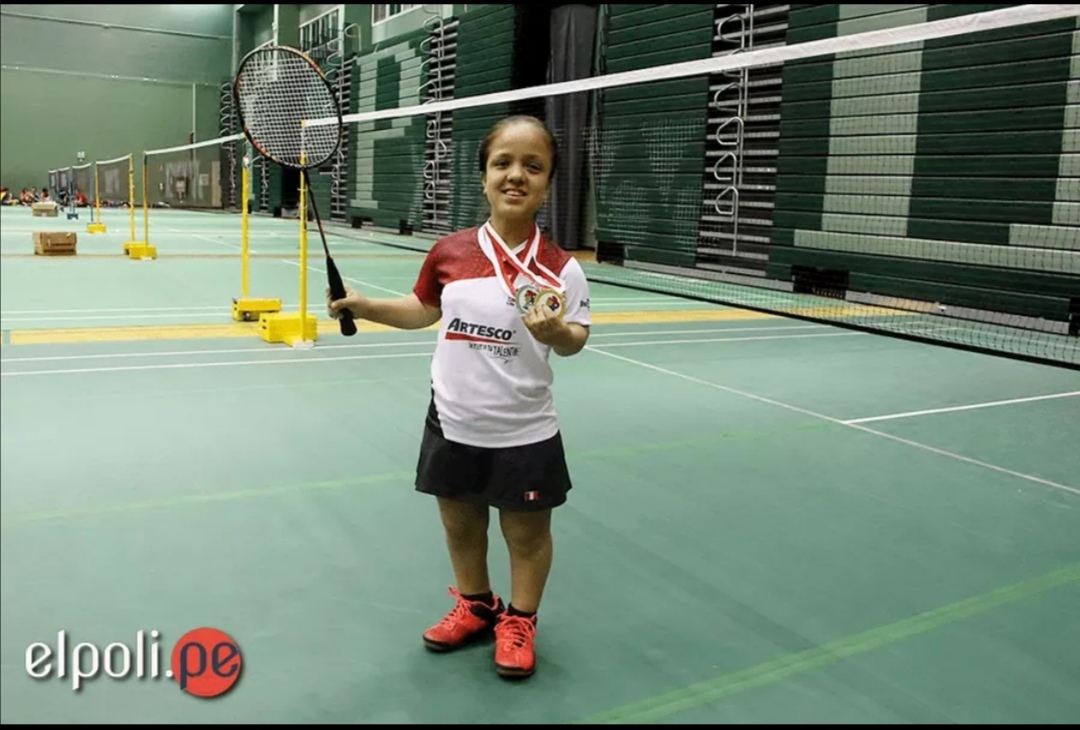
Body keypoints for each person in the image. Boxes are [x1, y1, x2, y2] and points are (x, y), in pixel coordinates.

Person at [327, 115, 591, 680]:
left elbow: (576, 340)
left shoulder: (562, 269)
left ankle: (520, 619)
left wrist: (554, 333)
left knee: (526, 533)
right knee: (461, 523)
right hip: (451, 420)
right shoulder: (450, 251)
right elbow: (424, 309)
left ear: (547, 183)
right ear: (484, 177)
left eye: (533, 166)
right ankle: (476, 605)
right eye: (503, 163)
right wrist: (366, 306)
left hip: (524, 430)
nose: (516, 175)